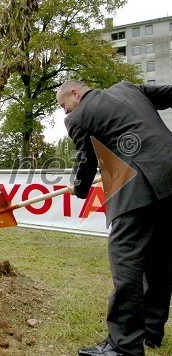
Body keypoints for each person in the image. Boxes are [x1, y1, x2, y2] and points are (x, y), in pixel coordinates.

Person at [56, 79, 172, 356]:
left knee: (125, 258)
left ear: (75, 92)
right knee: (159, 258)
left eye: (64, 105)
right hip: (169, 176)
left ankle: (124, 345)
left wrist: (79, 187)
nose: (65, 112)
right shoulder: (129, 88)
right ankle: (152, 332)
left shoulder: (79, 117)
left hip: (137, 186)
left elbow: (87, 160)